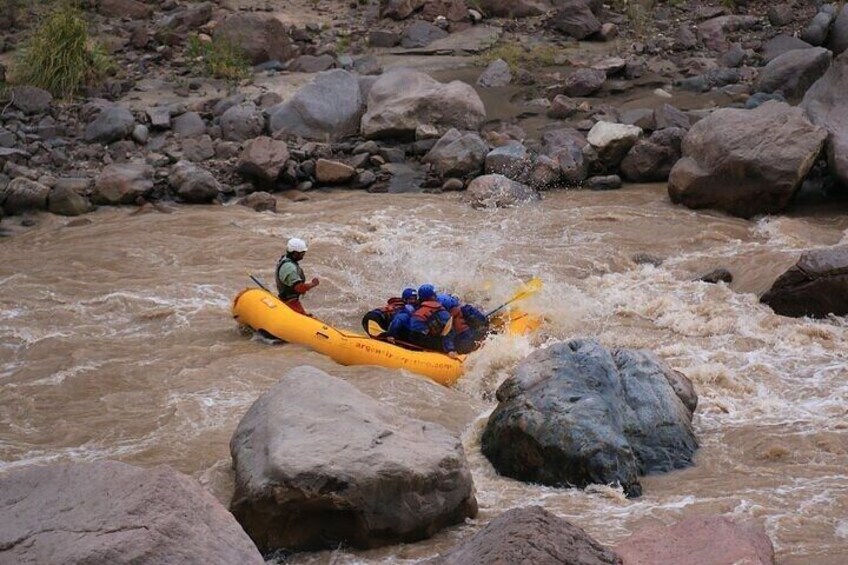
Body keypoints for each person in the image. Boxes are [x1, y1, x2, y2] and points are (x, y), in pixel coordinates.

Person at [404, 284, 457, 357]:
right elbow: (449, 330)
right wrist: (451, 349)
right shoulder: (440, 310)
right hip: (422, 338)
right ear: (432, 297)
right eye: (434, 295)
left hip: (410, 335)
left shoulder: (415, 306)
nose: (435, 296)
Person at [275, 237, 319, 315]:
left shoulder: (285, 259)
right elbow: (299, 288)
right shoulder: (289, 268)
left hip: (287, 298)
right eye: (302, 253)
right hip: (290, 301)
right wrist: (313, 284)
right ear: (295, 254)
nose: (303, 255)